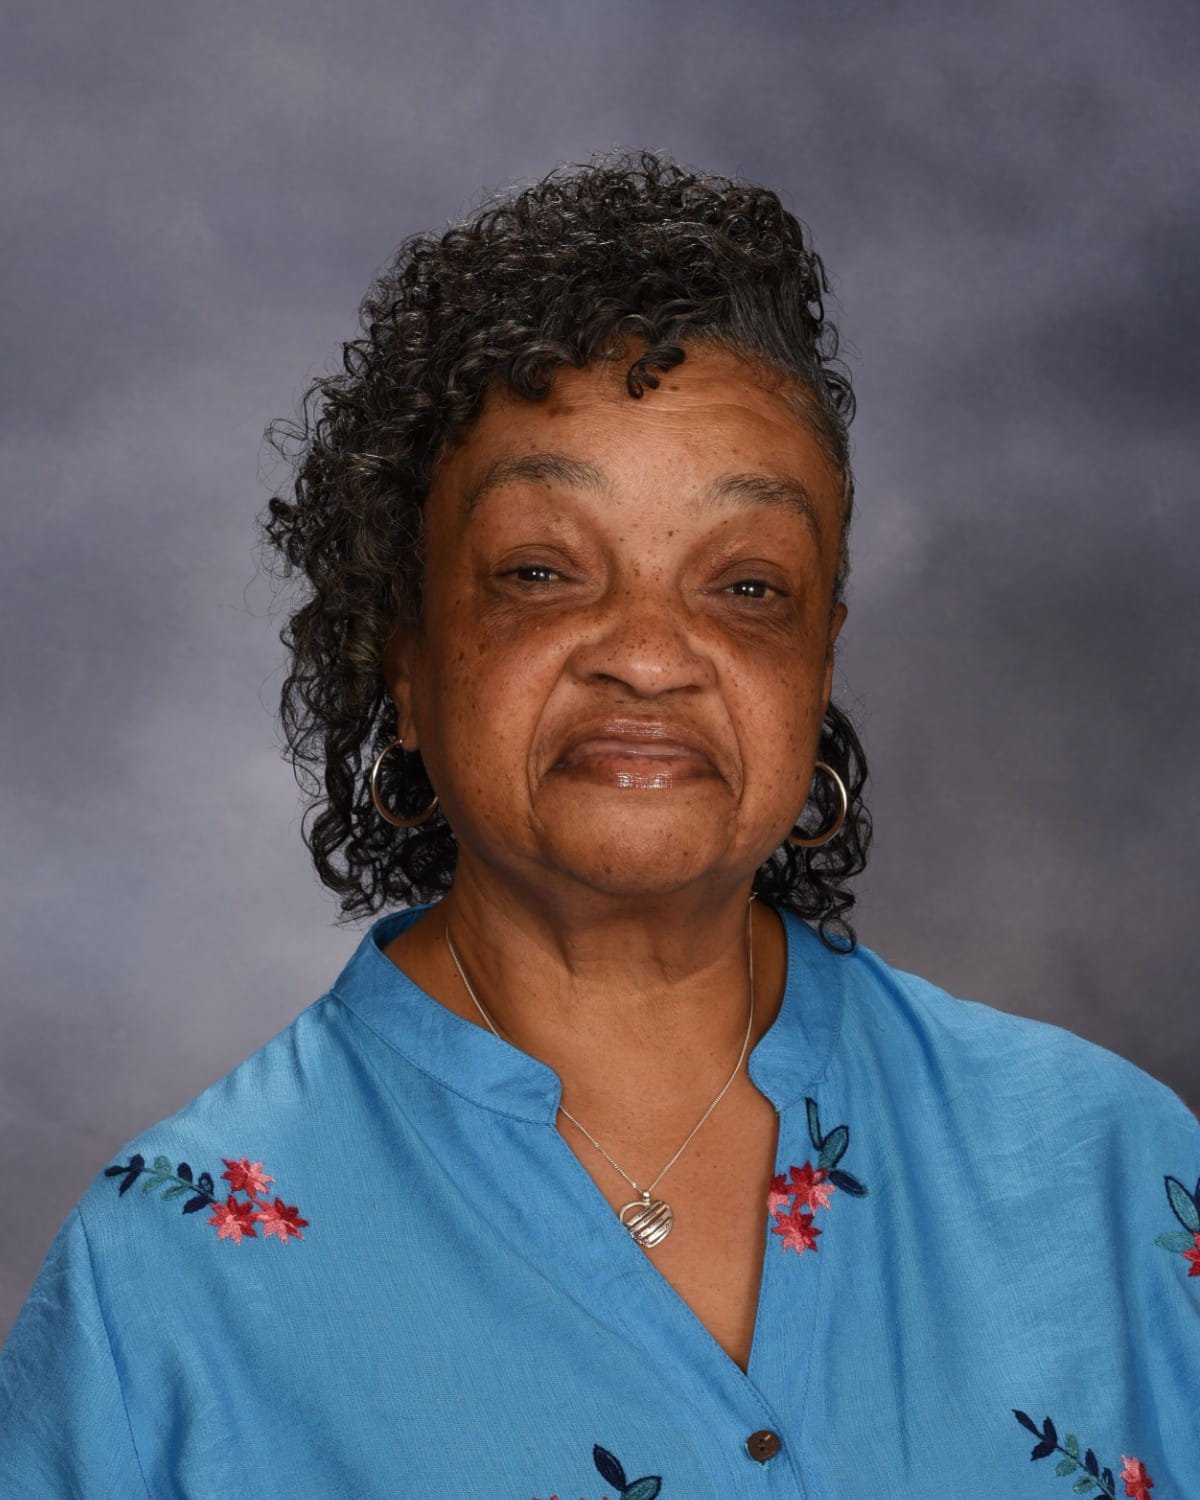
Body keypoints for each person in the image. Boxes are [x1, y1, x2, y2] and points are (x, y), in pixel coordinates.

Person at [1, 148, 1196, 1499]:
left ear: (819, 662)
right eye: (539, 571)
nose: (649, 653)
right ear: (404, 643)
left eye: (746, 585)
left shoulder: (1119, 1174)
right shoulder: (161, 1285)